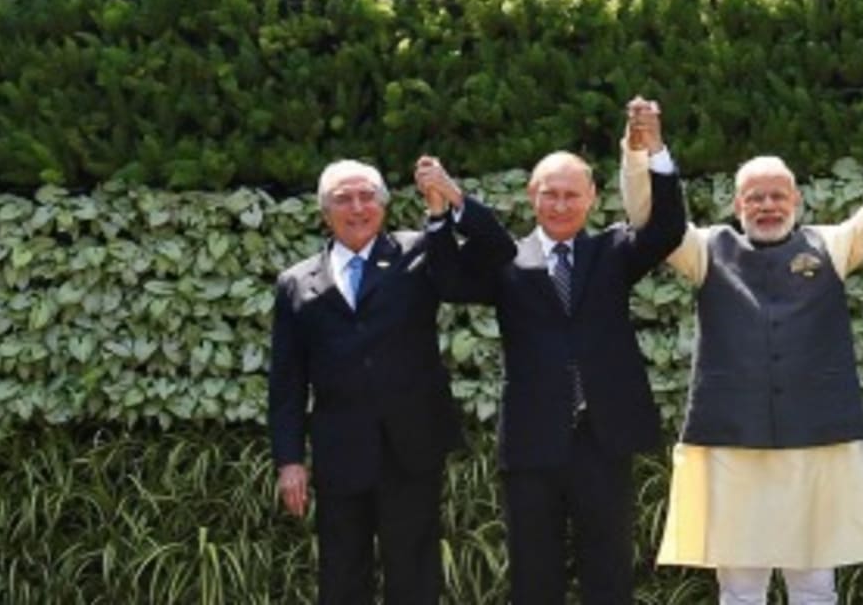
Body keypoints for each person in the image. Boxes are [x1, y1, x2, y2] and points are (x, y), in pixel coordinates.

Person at [620, 94, 863, 604]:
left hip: (815, 443)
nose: (767, 205)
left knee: (814, 587)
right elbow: (652, 220)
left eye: (778, 195)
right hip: (733, 445)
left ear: (796, 200)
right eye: (755, 197)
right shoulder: (705, 249)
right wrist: (649, 150)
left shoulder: (832, 245)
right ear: (738, 205)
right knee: (740, 588)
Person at [415, 99, 688, 605]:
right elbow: (449, 280)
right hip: (533, 441)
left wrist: (654, 150)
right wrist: (442, 210)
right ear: (532, 195)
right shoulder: (506, 259)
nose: (560, 205)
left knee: (608, 573)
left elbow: (668, 229)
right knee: (534, 577)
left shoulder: (613, 251)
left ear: (591, 199)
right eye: (550, 194)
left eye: (571, 195)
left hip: (603, 439)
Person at [268, 157, 513, 605]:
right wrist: (289, 460)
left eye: (367, 197)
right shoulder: (295, 283)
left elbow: (498, 254)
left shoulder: (420, 251)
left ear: (383, 205)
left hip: (410, 448)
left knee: (413, 576)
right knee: (342, 576)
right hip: (340, 452)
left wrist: (453, 198)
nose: (357, 208)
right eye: (344, 199)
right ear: (325, 212)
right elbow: (287, 380)